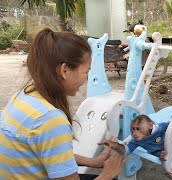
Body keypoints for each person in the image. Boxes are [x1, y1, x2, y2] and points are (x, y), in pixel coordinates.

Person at [0, 28, 125, 179]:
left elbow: (51, 153)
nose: (85, 80)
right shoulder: (50, 120)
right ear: (65, 70)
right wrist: (108, 174)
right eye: (86, 72)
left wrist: (92, 162)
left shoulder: (24, 95)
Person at [99, 115, 172, 179]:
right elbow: (126, 150)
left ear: (150, 126)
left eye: (138, 129)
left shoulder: (160, 128)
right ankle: (163, 156)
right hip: (156, 151)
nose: (134, 133)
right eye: (133, 129)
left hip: (170, 145)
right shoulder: (137, 140)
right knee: (164, 158)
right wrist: (115, 145)